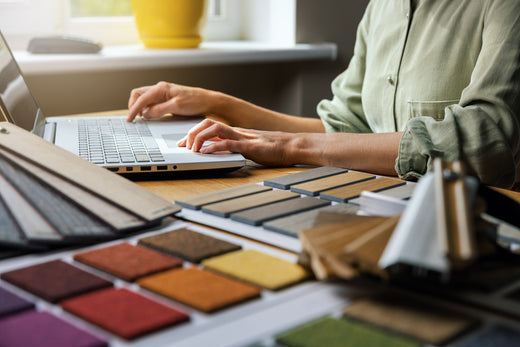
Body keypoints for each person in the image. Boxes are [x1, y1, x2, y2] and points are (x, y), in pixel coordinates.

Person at [127, 0, 520, 189]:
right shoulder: (383, 7)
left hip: (478, 226)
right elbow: (343, 126)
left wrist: (292, 146)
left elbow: (483, 143)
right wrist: (220, 105)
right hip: (379, 203)